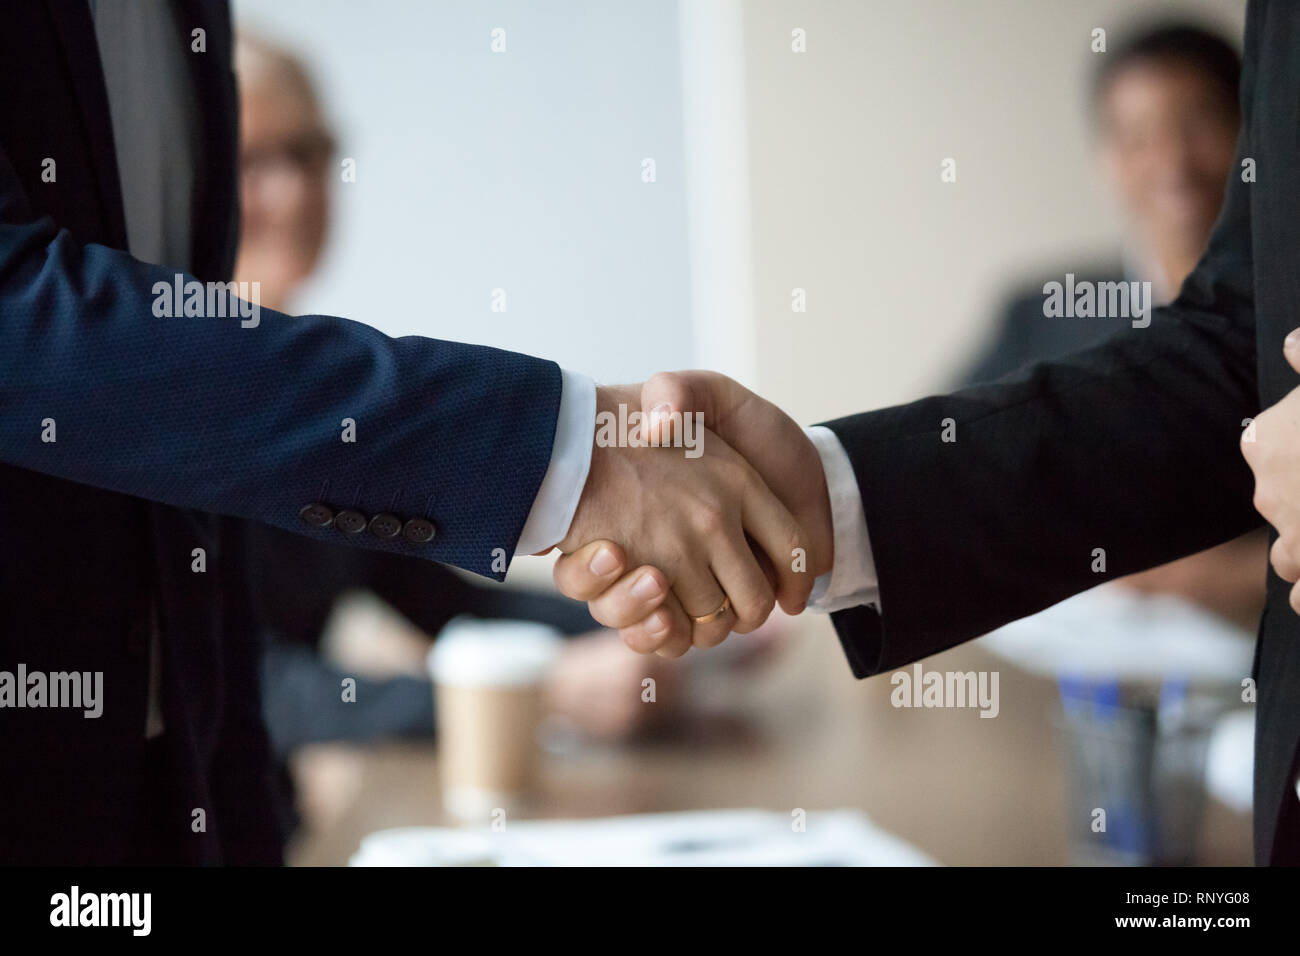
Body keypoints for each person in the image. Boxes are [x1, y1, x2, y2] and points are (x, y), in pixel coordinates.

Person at [0, 2, 814, 864]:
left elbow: (438, 603)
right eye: (254, 160)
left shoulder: (322, 421)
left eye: (310, 154)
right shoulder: (216, 411)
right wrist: (546, 678)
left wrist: (646, 620)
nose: (295, 191)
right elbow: (279, 683)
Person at [558, 0, 1300, 865]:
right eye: (1136, 135)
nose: (1171, 160)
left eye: (1201, 123)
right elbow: (1215, 362)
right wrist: (821, 499)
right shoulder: (1061, 308)